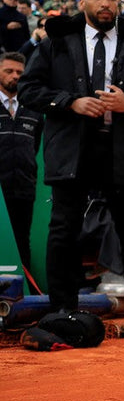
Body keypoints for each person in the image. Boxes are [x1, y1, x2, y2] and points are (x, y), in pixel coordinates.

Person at [19, 0, 124, 328]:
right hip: (73, 147)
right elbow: (28, 89)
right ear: (82, 3)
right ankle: (63, 306)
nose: (105, 3)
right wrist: (69, 102)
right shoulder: (56, 43)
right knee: (64, 228)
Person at [0, 52, 41, 268]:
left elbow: (34, 146)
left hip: (24, 188)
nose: (14, 76)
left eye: (19, 72)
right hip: (0, 189)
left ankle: (24, 296)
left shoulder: (33, 108)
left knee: (22, 242)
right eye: (9, 71)